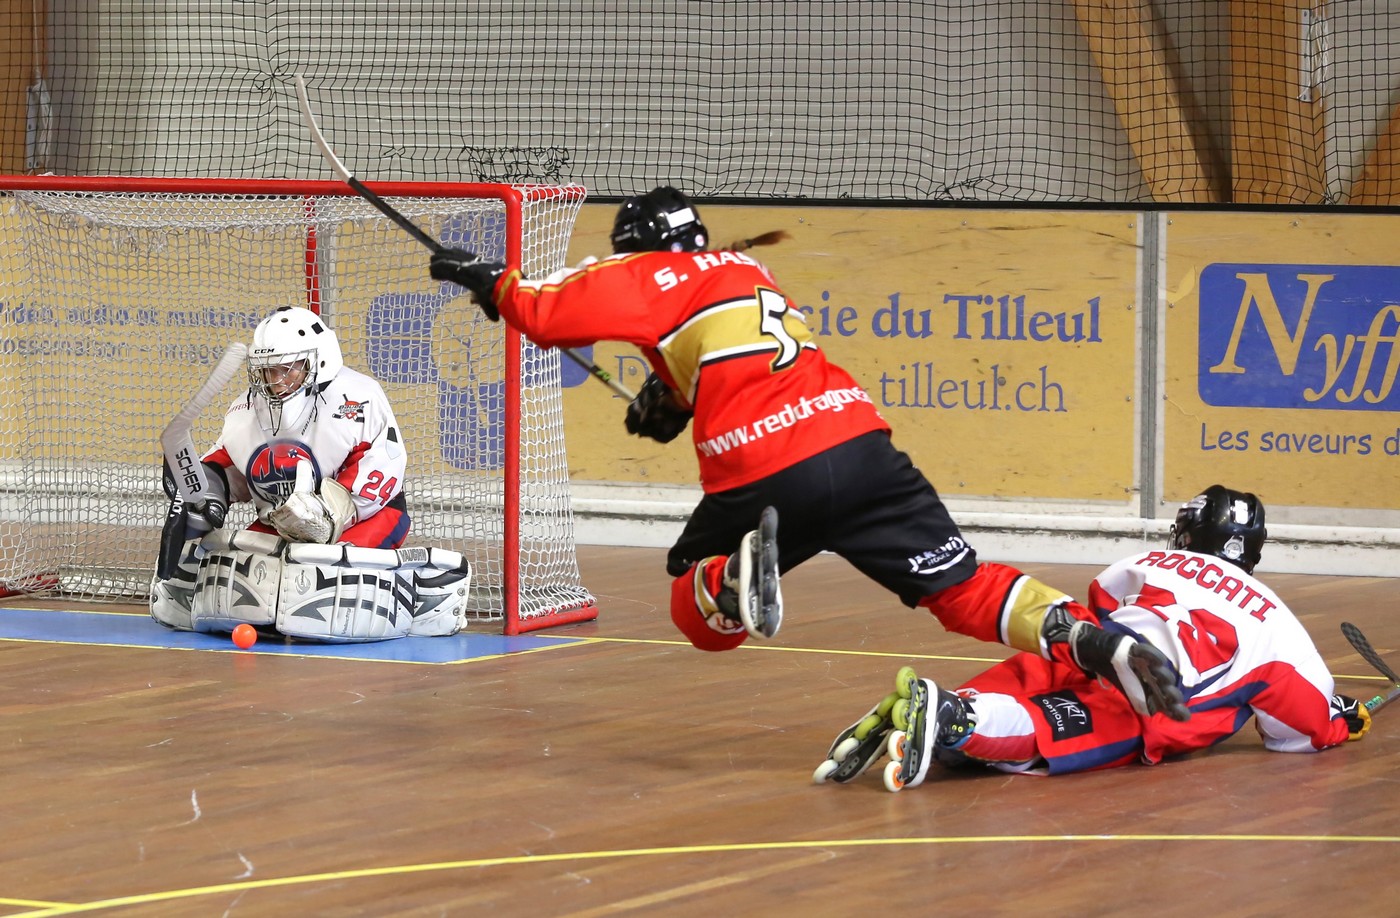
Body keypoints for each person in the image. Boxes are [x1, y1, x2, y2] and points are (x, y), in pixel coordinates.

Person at [426, 186, 1187, 719]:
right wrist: (672, 398)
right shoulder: (744, 270)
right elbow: (713, 356)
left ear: (638, 251)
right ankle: (1085, 635)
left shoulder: (652, 271)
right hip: (859, 449)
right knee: (961, 588)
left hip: (767, 470)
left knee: (695, 602)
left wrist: (493, 283)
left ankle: (731, 578)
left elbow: (554, 311)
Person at [814, 484, 1374, 793]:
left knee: (1037, 672)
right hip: (1155, 695)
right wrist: (1336, 721)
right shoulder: (1280, 623)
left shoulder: (1153, 559)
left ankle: (953, 706)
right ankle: (957, 722)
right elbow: (1292, 728)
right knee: (1056, 730)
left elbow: (1100, 598)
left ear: (1189, 533)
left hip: (1097, 644)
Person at [150, 306, 469, 641]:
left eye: (287, 368)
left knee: (324, 573)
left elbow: (384, 464)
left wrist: (328, 511)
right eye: (268, 370)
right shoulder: (245, 410)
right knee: (243, 570)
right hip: (280, 524)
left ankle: (417, 598)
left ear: (318, 361)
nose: (275, 381)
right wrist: (206, 495)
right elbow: (225, 463)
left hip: (366, 517)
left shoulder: (358, 398)